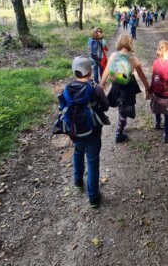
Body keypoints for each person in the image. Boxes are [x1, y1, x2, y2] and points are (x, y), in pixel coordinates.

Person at [63, 56, 109, 208]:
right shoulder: (94, 88)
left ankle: (77, 181)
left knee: (77, 152)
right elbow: (106, 106)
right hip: (92, 133)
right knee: (92, 161)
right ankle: (93, 197)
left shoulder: (68, 88)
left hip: (75, 131)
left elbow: (62, 107)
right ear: (90, 71)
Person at [101, 33, 150, 143]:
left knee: (121, 106)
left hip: (116, 85)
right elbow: (141, 74)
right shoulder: (133, 58)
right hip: (127, 87)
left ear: (119, 42)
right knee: (124, 109)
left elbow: (107, 70)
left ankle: (121, 121)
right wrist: (147, 87)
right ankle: (119, 133)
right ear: (130, 43)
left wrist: (102, 83)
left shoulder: (113, 55)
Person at [150, 41, 168, 143]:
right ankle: (166, 134)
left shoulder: (156, 62)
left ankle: (157, 123)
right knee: (167, 114)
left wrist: (151, 89)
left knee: (157, 108)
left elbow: (153, 77)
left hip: (157, 92)